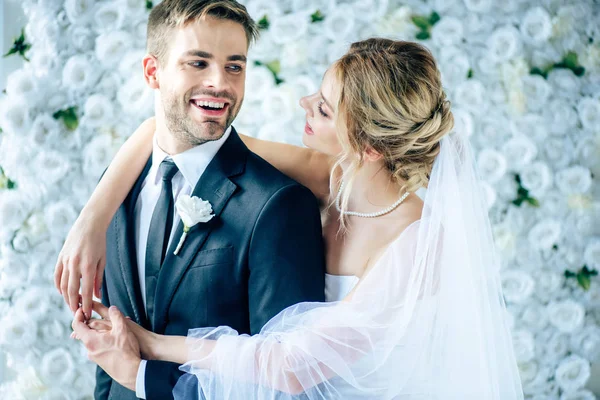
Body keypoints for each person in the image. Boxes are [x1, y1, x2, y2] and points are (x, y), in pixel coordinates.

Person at [69, 37, 524, 399]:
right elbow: (167, 131)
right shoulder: (332, 174)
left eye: (324, 109)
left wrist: (146, 347)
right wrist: (91, 221)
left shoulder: (416, 243)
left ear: (369, 147)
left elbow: (293, 367)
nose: (305, 104)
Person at [54, 1, 327, 399]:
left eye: (235, 66)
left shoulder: (279, 205)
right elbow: (112, 348)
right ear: (153, 72)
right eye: (198, 63)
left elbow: (283, 384)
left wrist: (144, 381)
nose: (220, 83)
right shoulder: (115, 188)